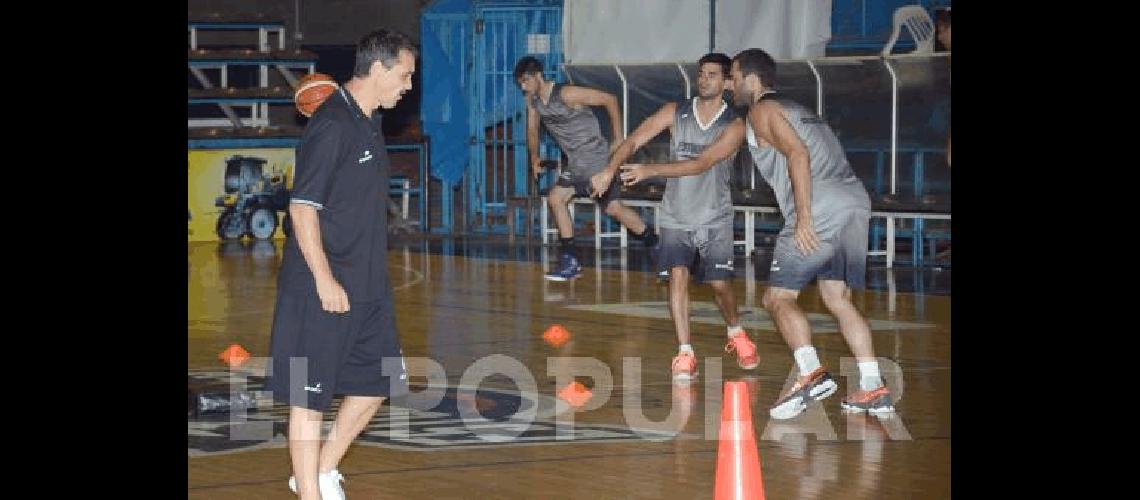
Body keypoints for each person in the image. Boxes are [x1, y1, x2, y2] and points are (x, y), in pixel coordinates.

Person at [622, 48, 893, 419]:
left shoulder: (763, 110)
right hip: (855, 201)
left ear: (751, 79)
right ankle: (872, 385)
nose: (730, 85)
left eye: (733, 76)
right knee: (836, 297)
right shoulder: (802, 110)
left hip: (820, 205)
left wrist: (804, 218)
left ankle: (811, 373)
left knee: (777, 298)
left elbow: (798, 155)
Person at [266, 28, 417, 500]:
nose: (409, 86)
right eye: (405, 75)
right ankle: (310, 494)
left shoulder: (367, 120)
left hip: (368, 287)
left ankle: (322, 469)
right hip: (320, 288)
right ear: (378, 69)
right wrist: (325, 279)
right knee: (308, 399)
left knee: (375, 386)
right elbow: (302, 208)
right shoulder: (331, 125)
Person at [603, 53, 758, 382]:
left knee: (719, 285)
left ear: (728, 83)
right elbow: (633, 140)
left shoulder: (734, 125)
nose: (704, 80)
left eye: (712, 75)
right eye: (701, 74)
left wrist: (651, 169)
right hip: (676, 214)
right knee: (677, 278)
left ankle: (736, 331)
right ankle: (685, 352)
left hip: (714, 216)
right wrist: (608, 170)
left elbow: (701, 164)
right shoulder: (675, 111)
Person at [515, 56, 658, 281]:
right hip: (576, 161)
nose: (523, 87)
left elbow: (609, 99)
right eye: (520, 83)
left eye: (525, 81)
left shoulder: (566, 94)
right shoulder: (533, 102)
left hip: (595, 157)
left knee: (610, 208)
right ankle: (571, 261)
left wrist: (618, 137)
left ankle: (657, 246)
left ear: (538, 76)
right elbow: (532, 130)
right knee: (580, 203)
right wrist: (534, 157)